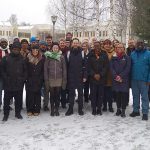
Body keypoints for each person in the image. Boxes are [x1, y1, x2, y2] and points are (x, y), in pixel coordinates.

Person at [1, 42, 27, 121]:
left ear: (19, 50)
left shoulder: (22, 59)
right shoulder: (6, 58)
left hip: (18, 83)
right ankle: (6, 114)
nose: (16, 50)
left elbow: (25, 71)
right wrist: (6, 78)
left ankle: (17, 113)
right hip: (8, 83)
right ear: (11, 49)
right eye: (14, 49)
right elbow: (2, 70)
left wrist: (22, 79)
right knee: (6, 100)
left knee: (18, 100)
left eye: (17, 49)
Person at [65, 38, 87, 116]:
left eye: (76, 43)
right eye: (74, 43)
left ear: (79, 44)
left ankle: (80, 109)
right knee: (71, 94)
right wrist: (67, 77)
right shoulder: (68, 53)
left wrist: (84, 76)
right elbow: (66, 66)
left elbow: (85, 66)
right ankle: (70, 109)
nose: (75, 44)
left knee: (80, 94)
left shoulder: (82, 53)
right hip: (71, 77)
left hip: (80, 77)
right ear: (72, 44)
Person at [44, 42, 67, 116]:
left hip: (59, 79)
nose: (55, 49)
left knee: (57, 95)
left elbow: (64, 69)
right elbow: (45, 69)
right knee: (52, 95)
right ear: (52, 49)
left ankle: (57, 109)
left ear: (58, 49)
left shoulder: (61, 57)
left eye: (57, 48)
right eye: (54, 48)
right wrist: (46, 79)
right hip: (51, 79)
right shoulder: (48, 57)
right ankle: (52, 109)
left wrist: (64, 79)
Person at [130, 40, 150, 121]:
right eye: (138, 44)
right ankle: (136, 110)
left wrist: (149, 79)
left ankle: (145, 113)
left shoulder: (148, 54)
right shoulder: (132, 54)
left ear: (144, 45)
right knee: (135, 96)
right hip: (134, 79)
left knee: (145, 97)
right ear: (136, 45)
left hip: (144, 80)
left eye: (141, 44)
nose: (140, 45)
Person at [88, 41, 109, 115]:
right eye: (95, 45)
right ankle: (94, 108)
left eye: (98, 45)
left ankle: (99, 108)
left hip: (101, 78)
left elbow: (106, 66)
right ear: (93, 46)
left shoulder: (104, 54)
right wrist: (94, 74)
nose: (96, 47)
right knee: (93, 94)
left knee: (100, 94)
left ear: (100, 46)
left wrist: (100, 74)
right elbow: (88, 66)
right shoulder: (90, 54)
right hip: (93, 78)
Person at [110, 43, 131, 117]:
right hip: (116, 79)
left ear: (124, 48)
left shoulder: (127, 57)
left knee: (124, 95)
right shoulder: (113, 57)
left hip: (124, 80)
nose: (119, 48)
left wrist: (120, 76)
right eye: (118, 47)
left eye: (121, 47)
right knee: (118, 95)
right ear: (115, 48)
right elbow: (111, 68)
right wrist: (116, 76)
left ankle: (123, 110)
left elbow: (128, 68)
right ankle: (118, 109)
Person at [26, 45, 44, 116]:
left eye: (37, 50)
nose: (35, 51)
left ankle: (37, 109)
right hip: (30, 79)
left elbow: (43, 70)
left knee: (37, 96)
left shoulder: (41, 58)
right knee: (30, 96)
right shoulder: (28, 58)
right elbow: (25, 69)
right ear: (31, 50)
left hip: (38, 79)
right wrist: (27, 78)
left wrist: (41, 79)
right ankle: (30, 109)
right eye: (34, 50)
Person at [103, 39, 115, 112]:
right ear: (103, 45)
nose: (107, 45)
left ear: (111, 45)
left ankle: (110, 106)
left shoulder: (114, 53)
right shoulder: (101, 52)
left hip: (111, 75)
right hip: (103, 75)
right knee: (104, 93)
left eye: (108, 44)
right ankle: (104, 106)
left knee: (110, 93)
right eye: (105, 44)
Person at [59, 38, 69, 108]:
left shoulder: (68, 51)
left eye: (63, 43)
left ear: (65, 44)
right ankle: (57, 102)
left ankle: (63, 103)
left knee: (64, 89)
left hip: (66, 72)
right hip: (58, 73)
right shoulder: (56, 51)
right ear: (59, 44)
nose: (62, 44)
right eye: (61, 43)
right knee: (58, 89)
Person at [0, 38, 9, 109]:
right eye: (2, 42)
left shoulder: (9, 51)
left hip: (8, 74)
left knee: (7, 90)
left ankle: (7, 104)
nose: (4, 43)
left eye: (5, 42)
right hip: (0, 74)